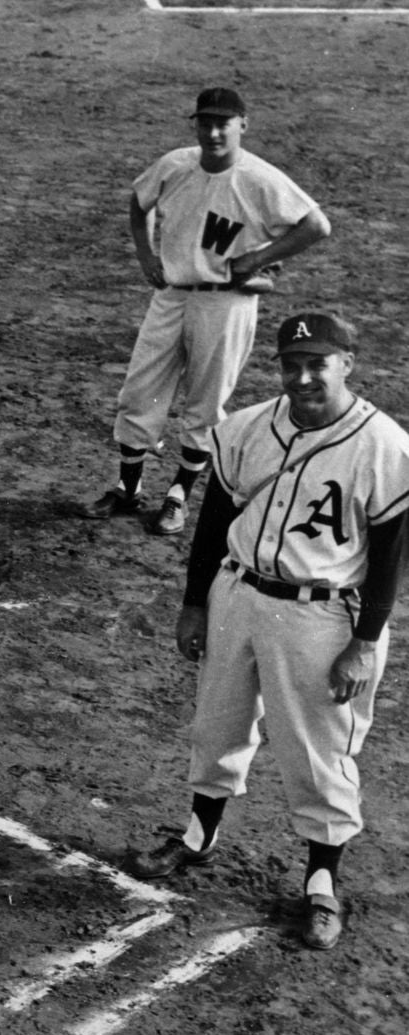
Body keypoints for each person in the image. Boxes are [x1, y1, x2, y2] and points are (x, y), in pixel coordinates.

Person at [125, 313, 409, 953]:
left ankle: (321, 883)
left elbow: (391, 555)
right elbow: (211, 523)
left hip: (322, 616)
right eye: (292, 364)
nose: (304, 377)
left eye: (319, 364)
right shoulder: (248, 428)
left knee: (319, 748)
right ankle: (198, 835)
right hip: (238, 592)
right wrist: (195, 604)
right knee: (218, 722)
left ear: (347, 364)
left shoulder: (384, 445)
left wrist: (364, 643)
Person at [70, 87, 330, 535]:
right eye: (205, 123)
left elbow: (316, 226)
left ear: (242, 126)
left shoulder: (261, 179)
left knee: (206, 402)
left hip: (226, 303)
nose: (213, 132)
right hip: (172, 294)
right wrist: (145, 256)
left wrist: (254, 261)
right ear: (195, 124)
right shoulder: (175, 165)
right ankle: (127, 488)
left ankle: (177, 496)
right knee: (140, 390)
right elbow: (139, 202)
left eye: (222, 124)